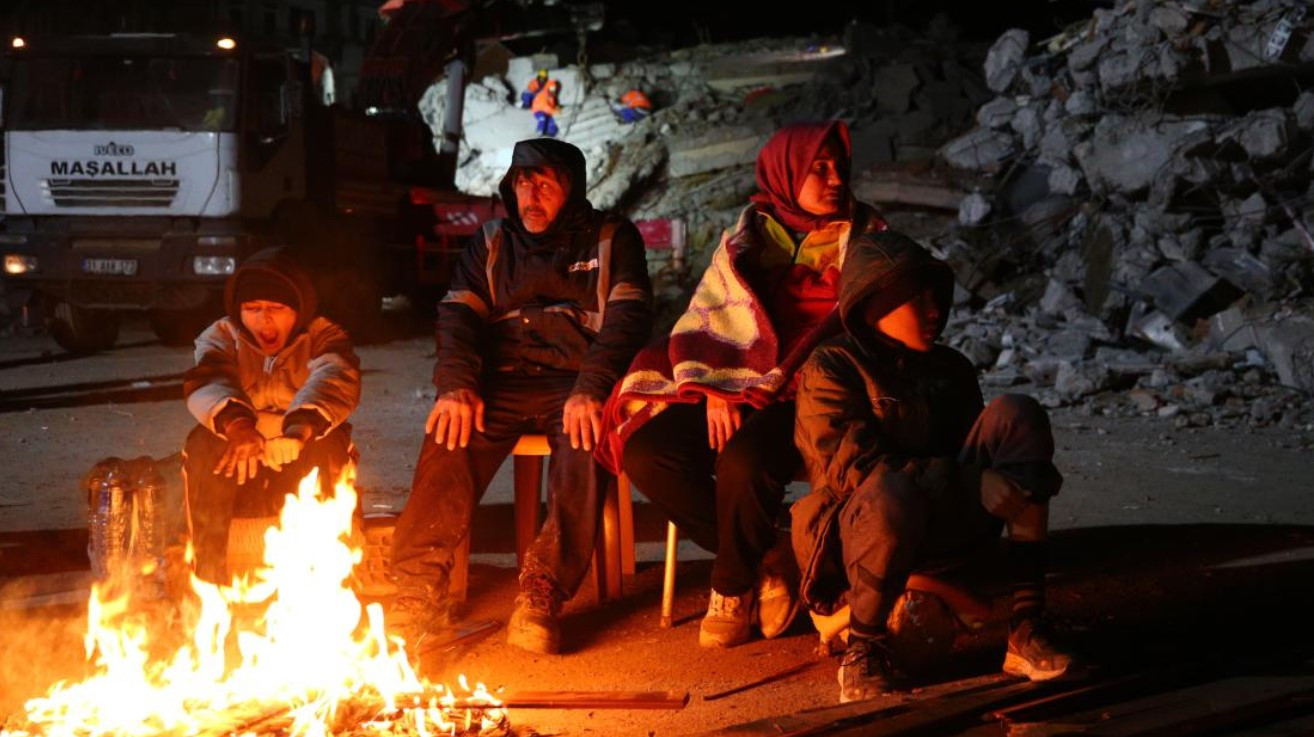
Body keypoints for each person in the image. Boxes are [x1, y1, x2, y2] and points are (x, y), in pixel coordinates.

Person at [599, 120, 887, 649]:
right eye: (817, 169)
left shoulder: (868, 237)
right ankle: (772, 553)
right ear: (785, 174)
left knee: (744, 462)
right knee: (648, 453)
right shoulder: (748, 234)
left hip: (815, 389)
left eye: (839, 169)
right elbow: (713, 314)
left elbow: (872, 327)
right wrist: (713, 386)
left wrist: (777, 381)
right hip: (734, 379)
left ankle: (731, 586)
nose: (834, 180)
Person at [389, 138, 653, 655]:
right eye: (523, 182)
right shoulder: (491, 242)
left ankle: (542, 591)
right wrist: (457, 384)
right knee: (449, 435)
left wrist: (592, 387)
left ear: (571, 188)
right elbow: (457, 315)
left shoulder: (611, 238)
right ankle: (416, 587)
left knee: (585, 439)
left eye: (546, 183)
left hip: (575, 381)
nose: (532, 195)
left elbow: (628, 320)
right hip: (502, 381)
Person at [792, 231, 1073, 703]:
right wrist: (969, 481)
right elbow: (856, 471)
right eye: (914, 298)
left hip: (938, 524)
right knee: (890, 494)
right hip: (856, 536)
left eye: (935, 295)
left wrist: (979, 480)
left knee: (1018, 415)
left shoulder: (952, 368)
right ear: (872, 304)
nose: (932, 310)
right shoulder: (831, 367)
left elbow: (975, 455)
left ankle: (1026, 626)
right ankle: (863, 650)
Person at [182, 246, 362, 584]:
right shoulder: (222, 336)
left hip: (302, 443)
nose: (263, 319)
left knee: (331, 446)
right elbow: (209, 380)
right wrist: (238, 426)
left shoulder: (324, 336)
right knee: (203, 446)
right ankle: (209, 582)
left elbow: (334, 380)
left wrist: (298, 431)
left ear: (298, 310)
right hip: (243, 447)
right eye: (252, 309)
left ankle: (328, 580)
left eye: (276, 309)